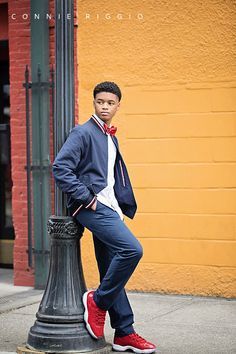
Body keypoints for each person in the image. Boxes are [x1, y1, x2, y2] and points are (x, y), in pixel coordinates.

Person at [52, 81, 156, 353]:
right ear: (94, 103)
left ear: (118, 106)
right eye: (101, 102)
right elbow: (61, 168)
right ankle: (97, 302)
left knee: (112, 266)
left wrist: (118, 205)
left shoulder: (111, 136)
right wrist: (88, 198)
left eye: (110, 103)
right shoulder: (83, 132)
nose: (105, 107)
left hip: (110, 208)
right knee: (132, 250)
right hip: (92, 207)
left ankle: (124, 332)